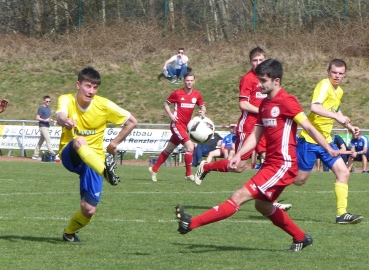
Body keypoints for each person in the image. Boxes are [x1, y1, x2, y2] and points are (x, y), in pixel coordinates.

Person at [175, 59, 341, 252]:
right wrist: (238, 154)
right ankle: (301, 238)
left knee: (239, 196)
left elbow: (308, 127)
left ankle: (191, 223)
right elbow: (255, 135)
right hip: (271, 164)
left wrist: (328, 148)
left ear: (276, 81)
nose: (259, 84)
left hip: (283, 165)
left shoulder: (288, 101)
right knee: (262, 206)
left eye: (263, 81)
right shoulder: (263, 104)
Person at [56, 67, 138, 242]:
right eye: (88, 86)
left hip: (95, 161)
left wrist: (114, 143)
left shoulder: (104, 105)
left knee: (88, 210)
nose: (91, 91)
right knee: (80, 141)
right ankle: (106, 172)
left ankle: (69, 233)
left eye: (95, 87)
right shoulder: (67, 99)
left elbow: (132, 121)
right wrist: (66, 121)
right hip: (71, 155)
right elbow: (60, 116)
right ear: (78, 85)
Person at [294, 59, 363, 224]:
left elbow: (336, 110)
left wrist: (350, 127)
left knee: (344, 172)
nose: (337, 76)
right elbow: (314, 107)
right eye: (334, 72)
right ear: (328, 72)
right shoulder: (324, 85)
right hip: (310, 140)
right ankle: (270, 186)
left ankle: (342, 214)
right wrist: (337, 117)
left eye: (340, 73)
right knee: (299, 180)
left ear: (345, 74)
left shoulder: (339, 91)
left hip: (327, 140)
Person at [194, 47, 267, 186]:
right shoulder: (248, 79)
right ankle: (206, 167)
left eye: (261, 60)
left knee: (270, 161)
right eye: (255, 60)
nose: (258, 63)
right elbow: (243, 104)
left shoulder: (267, 78)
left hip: (264, 126)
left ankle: (270, 199)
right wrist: (261, 111)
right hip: (248, 126)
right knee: (238, 166)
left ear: (266, 60)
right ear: (250, 62)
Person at [149, 72, 206, 182]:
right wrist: (171, 115)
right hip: (177, 125)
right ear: (184, 81)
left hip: (186, 126)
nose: (189, 82)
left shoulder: (196, 95)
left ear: (194, 81)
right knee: (190, 147)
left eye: (191, 80)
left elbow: (203, 106)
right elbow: (165, 104)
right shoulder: (177, 93)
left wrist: (202, 112)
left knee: (169, 149)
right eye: (187, 80)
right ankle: (188, 174)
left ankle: (154, 169)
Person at [32, 95, 56, 160]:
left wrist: (52, 120)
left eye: (49, 101)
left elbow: (49, 117)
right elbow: (37, 117)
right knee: (48, 139)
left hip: (47, 126)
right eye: (47, 101)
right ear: (43, 101)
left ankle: (35, 154)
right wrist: (44, 120)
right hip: (42, 126)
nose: (48, 102)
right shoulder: (41, 108)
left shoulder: (49, 108)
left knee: (41, 141)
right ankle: (52, 152)